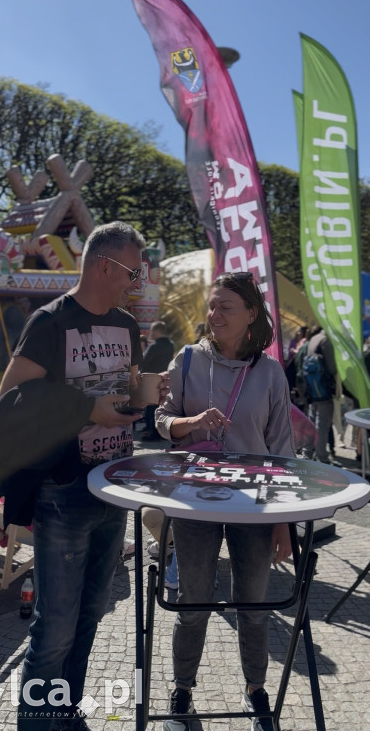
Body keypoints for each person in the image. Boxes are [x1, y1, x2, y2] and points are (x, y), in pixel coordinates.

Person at [0, 221, 146, 731]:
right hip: (62, 493)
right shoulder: (50, 322)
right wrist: (87, 411)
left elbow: (122, 394)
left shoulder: (128, 326)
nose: (137, 281)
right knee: (55, 629)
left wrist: (145, 398)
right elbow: (9, 403)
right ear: (105, 266)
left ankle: (66, 713)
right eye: (132, 270)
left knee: (88, 619)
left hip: (116, 486)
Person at [155, 271, 294, 731]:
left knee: (252, 605)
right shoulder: (188, 359)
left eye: (226, 308)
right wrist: (191, 421)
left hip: (254, 506)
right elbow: (162, 421)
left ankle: (256, 690)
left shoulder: (270, 372)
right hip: (194, 502)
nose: (214, 315)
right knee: (192, 601)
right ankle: (182, 691)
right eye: (212, 306)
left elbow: (282, 452)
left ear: (251, 314)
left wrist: (283, 524)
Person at [305, 326, 337, 463]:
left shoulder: (314, 338)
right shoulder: (325, 341)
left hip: (312, 385)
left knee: (312, 420)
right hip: (323, 387)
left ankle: (307, 451)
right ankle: (322, 455)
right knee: (323, 424)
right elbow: (331, 367)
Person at [141, 320, 174, 441]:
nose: (151, 332)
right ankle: (161, 431)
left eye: (153, 330)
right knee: (162, 405)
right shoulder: (170, 345)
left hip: (151, 379)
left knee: (150, 407)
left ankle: (152, 431)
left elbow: (144, 362)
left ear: (158, 331)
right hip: (164, 379)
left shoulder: (154, 346)